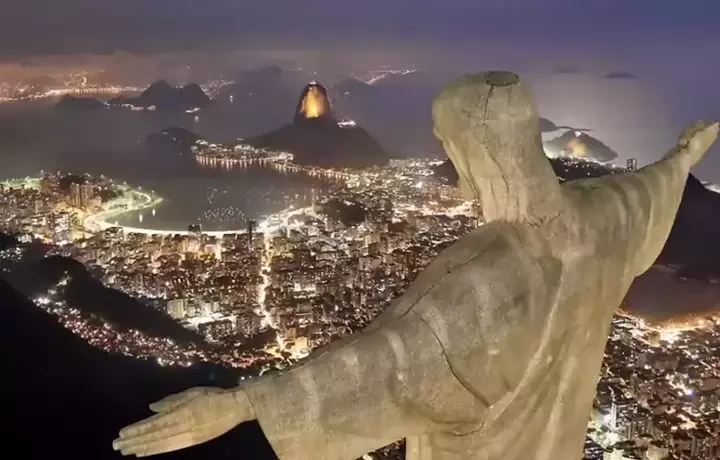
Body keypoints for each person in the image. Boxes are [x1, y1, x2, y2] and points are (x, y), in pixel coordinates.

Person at [113, 71, 719, 460]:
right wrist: (685, 155)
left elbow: (390, 365)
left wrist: (245, 404)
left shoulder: (489, 269)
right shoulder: (601, 214)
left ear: (469, 151)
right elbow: (652, 188)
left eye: (448, 143)